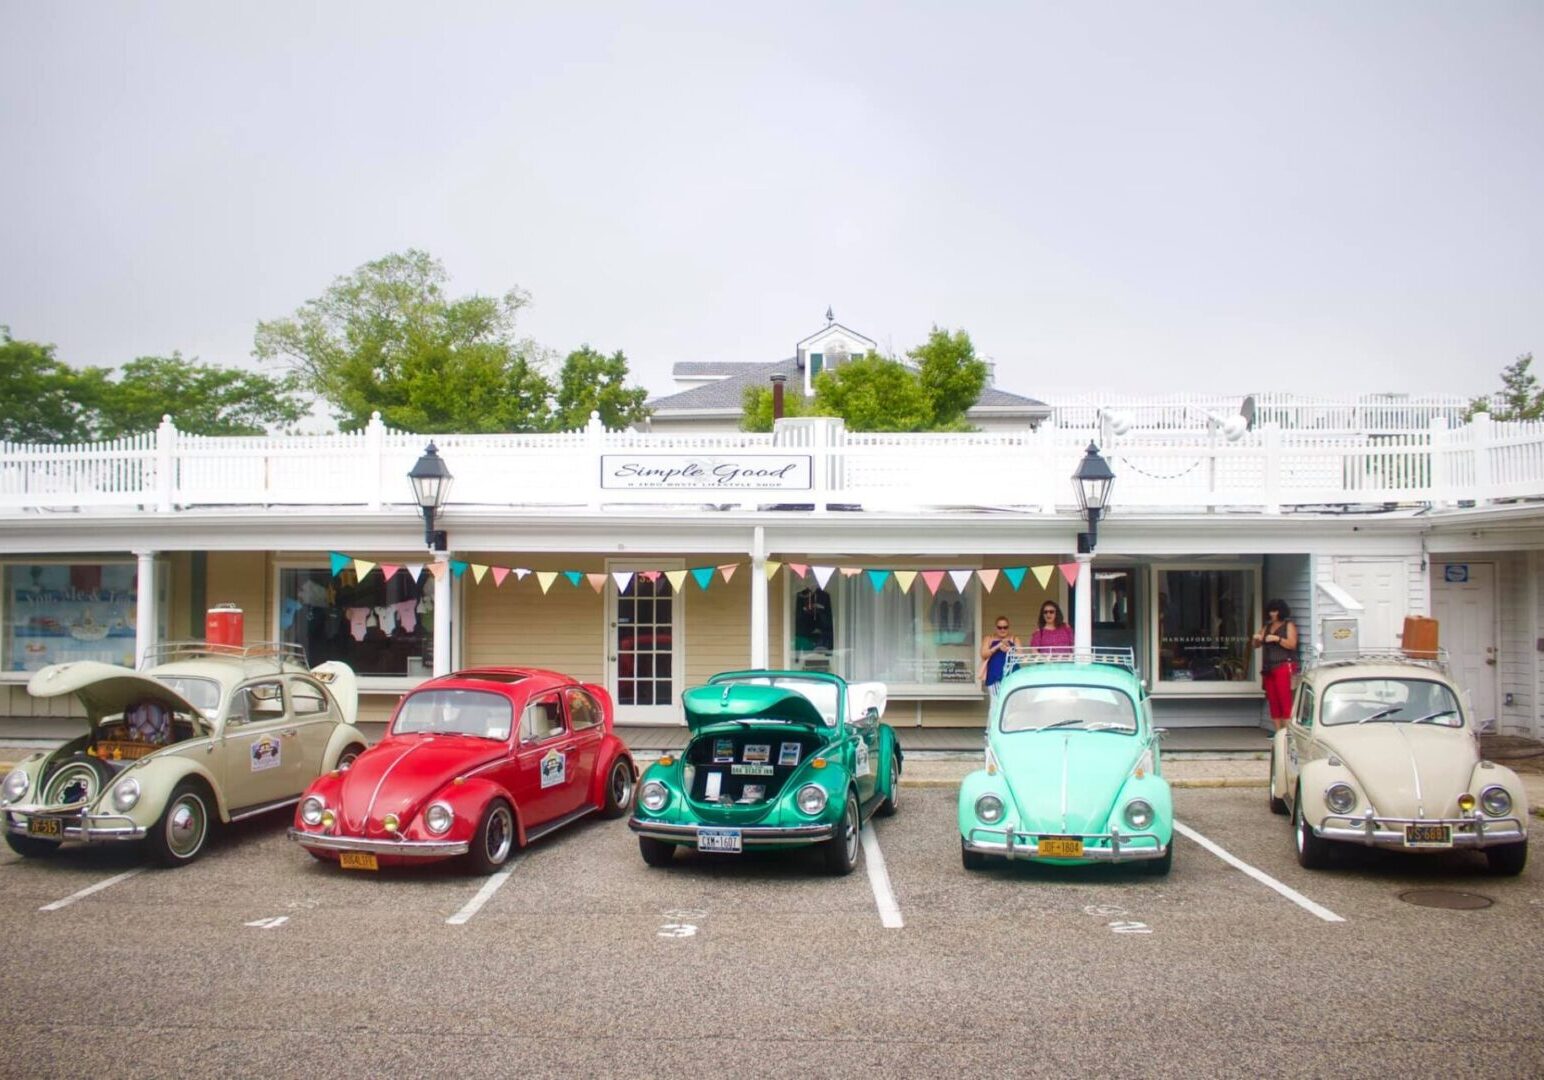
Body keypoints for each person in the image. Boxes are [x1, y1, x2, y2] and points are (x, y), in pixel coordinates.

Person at [1252, 599, 1300, 730]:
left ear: (1281, 612)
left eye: (1275, 611)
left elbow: (1292, 644)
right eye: (1271, 611)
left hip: (1283, 665)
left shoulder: (1288, 625)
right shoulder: (1267, 627)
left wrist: (1277, 639)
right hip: (1269, 668)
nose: (1273, 613)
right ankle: (1278, 731)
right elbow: (1255, 646)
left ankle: (1287, 731)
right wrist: (1256, 639)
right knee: (1273, 700)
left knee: (1285, 699)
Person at [979, 616, 1021, 700]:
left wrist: (1009, 650)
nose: (1002, 630)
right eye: (1000, 627)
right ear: (995, 628)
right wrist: (997, 647)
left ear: (1008, 628)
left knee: (1011, 702)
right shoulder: (989, 639)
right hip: (994, 677)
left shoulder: (1014, 639)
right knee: (996, 703)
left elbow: (1020, 655)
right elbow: (983, 654)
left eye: (1005, 627)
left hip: (1012, 676)